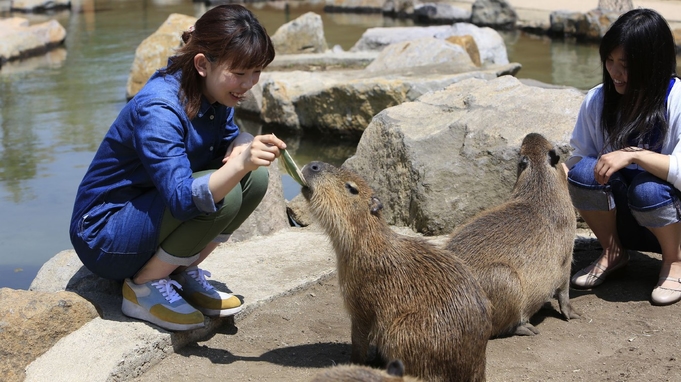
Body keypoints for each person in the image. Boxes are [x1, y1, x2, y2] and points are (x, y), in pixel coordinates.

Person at [69, 4, 286, 331]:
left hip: (150, 210)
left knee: (254, 178)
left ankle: (178, 272)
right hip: (106, 233)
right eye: (239, 74)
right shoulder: (159, 107)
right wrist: (240, 160)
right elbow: (185, 200)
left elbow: (228, 136)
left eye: (256, 72)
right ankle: (142, 287)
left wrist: (242, 139)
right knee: (224, 194)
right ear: (202, 64)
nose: (249, 83)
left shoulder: (213, 93)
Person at [566, 8, 681, 306]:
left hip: (669, 215)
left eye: (626, 64)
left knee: (648, 188)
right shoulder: (597, 99)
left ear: (651, 64)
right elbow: (580, 156)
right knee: (581, 173)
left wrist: (635, 156)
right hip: (623, 216)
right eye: (610, 61)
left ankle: (675, 261)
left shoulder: (677, 99)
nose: (615, 72)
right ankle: (613, 251)